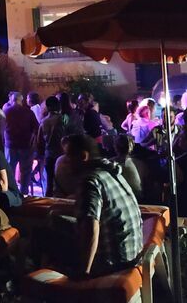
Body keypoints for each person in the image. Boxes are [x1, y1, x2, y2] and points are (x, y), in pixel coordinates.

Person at [41, 135, 143, 279]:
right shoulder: (111, 172)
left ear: (83, 156)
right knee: (57, 221)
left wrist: (85, 272)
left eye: (69, 156)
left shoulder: (90, 181)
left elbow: (91, 227)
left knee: (43, 237)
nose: (66, 162)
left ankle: (43, 286)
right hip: (132, 255)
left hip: (112, 262)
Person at [4, 88, 39, 196]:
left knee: (10, 170)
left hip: (11, 146)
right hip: (26, 146)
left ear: (12, 100)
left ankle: (11, 193)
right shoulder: (28, 112)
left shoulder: (6, 112)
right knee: (26, 172)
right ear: (21, 100)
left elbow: (0, 127)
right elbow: (37, 128)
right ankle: (24, 194)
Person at [37, 96, 66, 196]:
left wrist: (40, 154)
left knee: (49, 181)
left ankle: (48, 201)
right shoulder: (62, 119)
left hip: (48, 154)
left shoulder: (44, 121)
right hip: (61, 154)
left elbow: (39, 140)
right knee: (61, 182)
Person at [112, 135, 143, 200]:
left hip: (125, 199)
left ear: (116, 147)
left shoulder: (111, 163)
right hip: (140, 198)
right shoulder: (139, 163)